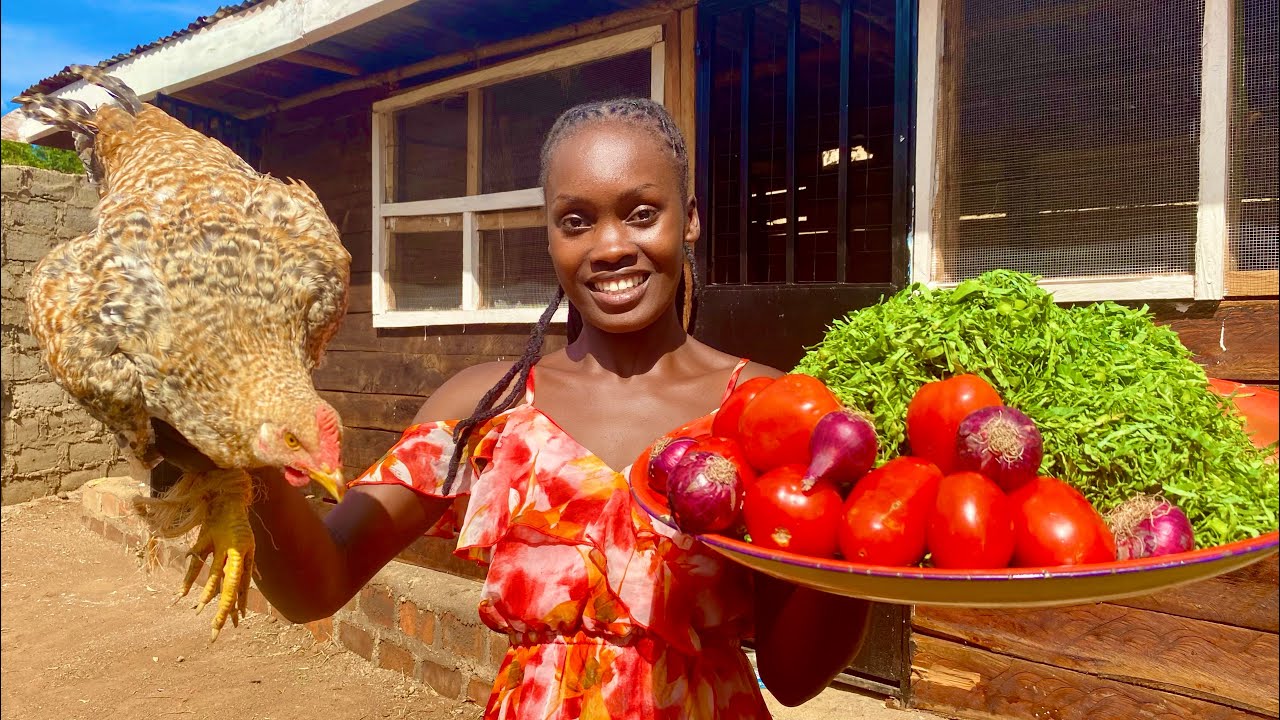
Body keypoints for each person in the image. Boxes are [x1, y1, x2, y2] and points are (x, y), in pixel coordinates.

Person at [228, 99, 869, 718]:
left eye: (643, 213)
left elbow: (793, 677)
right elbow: (317, 583)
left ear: (691, 219)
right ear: (551, 234)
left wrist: (856, 533)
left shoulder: (763, 413)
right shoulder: (485, 410)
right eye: (577, 220)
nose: (611, 245)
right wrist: (239, 454)